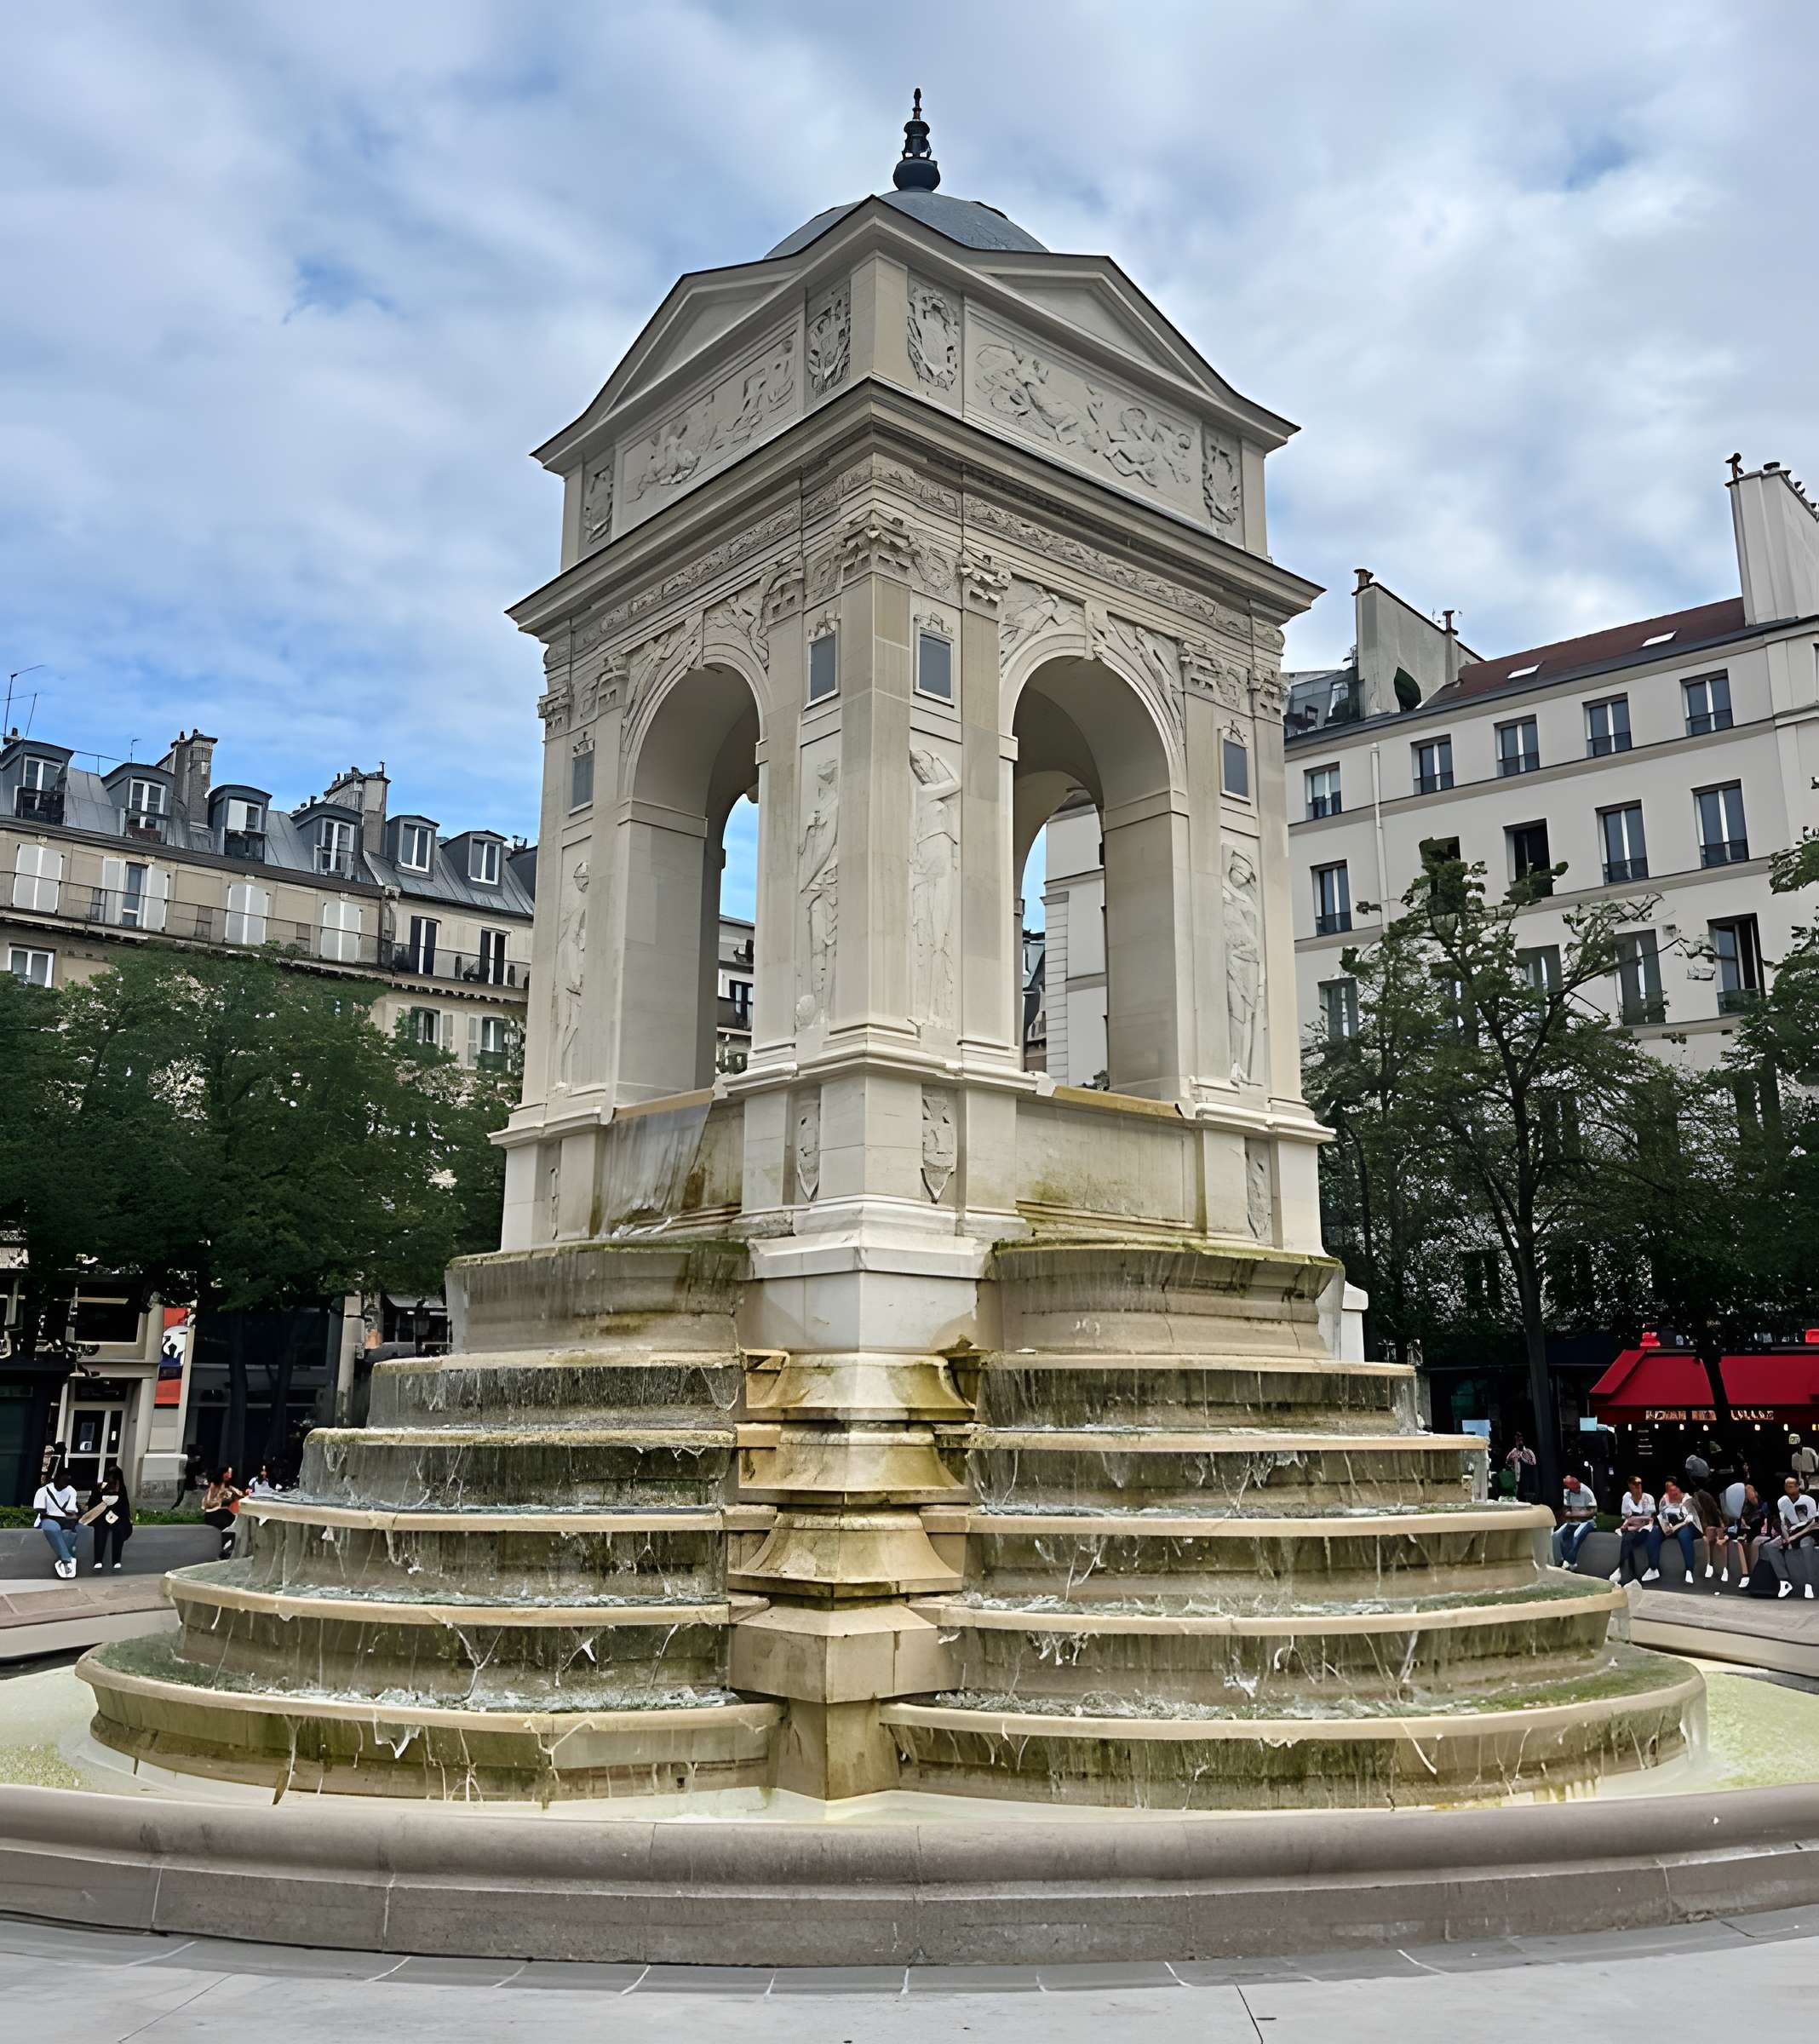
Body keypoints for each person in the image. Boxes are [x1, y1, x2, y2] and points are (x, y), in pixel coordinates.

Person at [1764, 1475, 1819, 1600]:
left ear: (1798, 1487)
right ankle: (1784, 1581)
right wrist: (1786, 1537)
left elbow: (1813, 1524)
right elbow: (1784, 1522)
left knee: (1805, 1545)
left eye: (1792, 1485)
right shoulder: (1782, 1502)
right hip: (1792, 1533)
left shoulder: (1808, 1500)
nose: (1789, 1487)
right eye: (1786, 1485)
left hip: (1808, 1532)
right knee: (1770, 1546)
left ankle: (1810, 1583)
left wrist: (1793, 1538)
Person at [32, 1464, 82, 1579]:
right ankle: (67, 1559)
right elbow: (41, 1510)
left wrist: (73, 1516)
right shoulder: (43, 1491)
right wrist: (54, 1515)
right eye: (64, 1480)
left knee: (70, 1534)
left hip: (64, 1519)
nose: (66, 1484)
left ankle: (65, 1562)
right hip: (48, 1518)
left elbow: (71, 1509)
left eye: (68, 1481)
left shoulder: (71, 1491)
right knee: (53, 1529)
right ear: (57, 1478)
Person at [1646, 1481, 1701, 1584]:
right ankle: (1653, 1568)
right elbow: (1662, 1516)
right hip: (1671, 1526)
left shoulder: (1687, 1500)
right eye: (1670, 1491)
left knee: (1684, 1535)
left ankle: (1689, 1570)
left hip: (1688, 1525)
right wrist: (1665, 1528)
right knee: (1654, 1532)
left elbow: (1687, 1520)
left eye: (1675, 1490)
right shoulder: (1664, 1500)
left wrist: (1674, 1528)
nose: (1673, 1493)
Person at [83, 1462, 133, 1572]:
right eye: (110, 1476)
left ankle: (116, 1561)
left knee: (119, 1530)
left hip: (117, 1517)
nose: (111, 1479)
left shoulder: (122, 1488)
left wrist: (118, 1516)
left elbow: (124, 1505)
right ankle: (98, 1561)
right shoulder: (100, 1487)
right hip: (101, 1516)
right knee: (100, 1530)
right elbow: (93, 1504)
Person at [1611, 1477, 1655, 1585]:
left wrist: (1634, 1521)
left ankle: (1621, 1569)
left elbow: (1648, 1519)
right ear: (1630, 1487)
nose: (1638, 1488)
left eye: (1639, 1485)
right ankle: (1631, 1574)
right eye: (1635, 1485)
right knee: (1627, 1539)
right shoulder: (1627, 1497)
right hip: (1631, 1527)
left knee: (1629, 1542)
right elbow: (1627, 1517)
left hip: (1645, 1528)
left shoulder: (1648, 1498)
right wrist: (1629, 1524)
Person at [1552, 1473, 1598, 1570]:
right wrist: (1577, 1513)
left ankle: (1570, 1561)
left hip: (1587, 1522)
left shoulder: (1586, 1492)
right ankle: (1559, 1560)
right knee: (1556, 1535)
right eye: (1568, 1485)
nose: (1571, 1488)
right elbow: (1566, 1511)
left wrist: (1575, 1513)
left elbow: (1592, 1512)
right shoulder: (1567, 1493)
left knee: (1576, 1534)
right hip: (1573, 1521)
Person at [201, 1466, 244, 1559]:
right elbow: (207, 1503)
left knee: (237, 1525)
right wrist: (221, 1500)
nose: (229, 1475)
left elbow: (241, 1495)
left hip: (226, 1513)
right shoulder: (214, 1486)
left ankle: (228, 1550)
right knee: (229, 1524)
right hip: (214, 1513)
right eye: (227, 1473)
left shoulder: (230, 1488)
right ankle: (223, 1549)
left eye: (230, 1473)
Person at [1504, 1434, 1537, 1503]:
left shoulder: (1528, 1451)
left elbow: (1533, 1462)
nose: (1520, 1442)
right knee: (1517, 1497)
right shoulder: (1513, 1452)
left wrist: (1522, 1458)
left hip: (1526, 1478)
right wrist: (1512, 1464)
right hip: (1515, 1477)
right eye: (1518, 1440)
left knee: (1526, 1498)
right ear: (1516, 1442)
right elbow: (1507, 1462)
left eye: (1521, 1440)